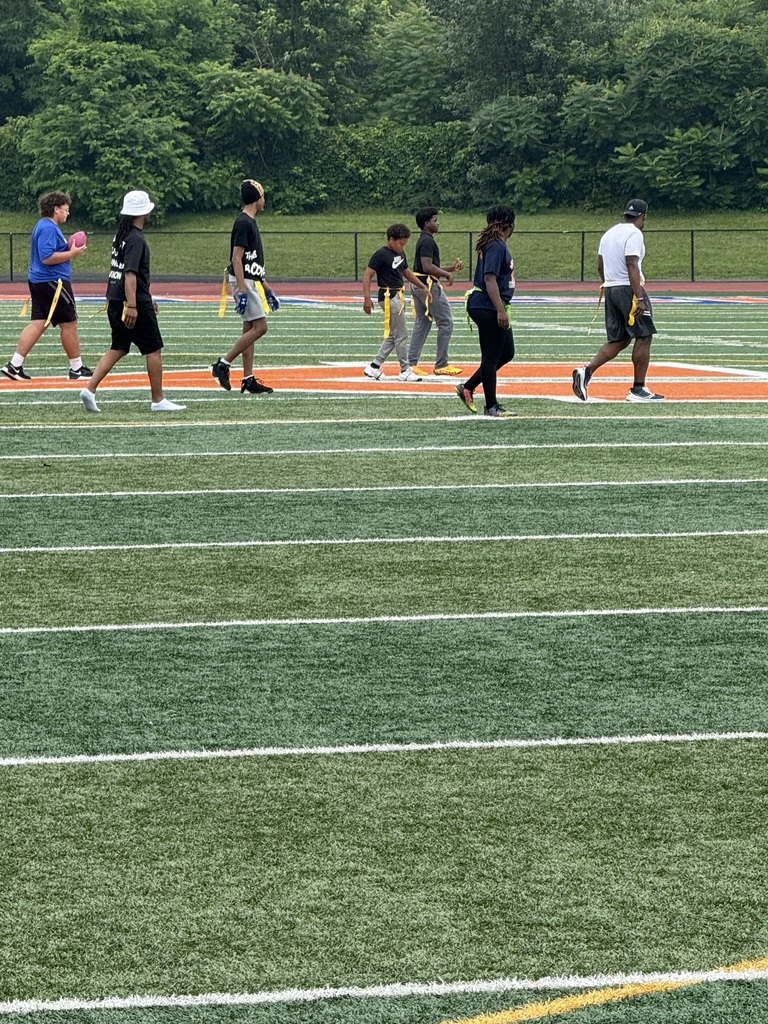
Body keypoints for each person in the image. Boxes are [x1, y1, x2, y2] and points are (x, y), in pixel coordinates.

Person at [80, 190, 185, 413]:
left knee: (118, 347)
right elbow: (130, 275)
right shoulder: (136, 239)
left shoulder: (121, 235)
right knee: (153, 349)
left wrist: (147, 297)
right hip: (131, 302)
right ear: (143, 212)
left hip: (116, 300)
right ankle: (158, 399)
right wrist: (135, 305)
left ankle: (89, 389)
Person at [572, 198, 664, 403]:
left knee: (620, 339)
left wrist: (609, 284)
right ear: (643, 216)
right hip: (628, 288)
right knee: (644, 335)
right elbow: (632, 264)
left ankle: (585, 372)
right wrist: (638, 296)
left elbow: (599, 266)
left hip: (610, 287)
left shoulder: (609, 233)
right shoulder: (634, 233)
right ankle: (638, 389)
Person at [1, 190, 92, 381]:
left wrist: (67, 248)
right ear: (55, 208)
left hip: (41, 280)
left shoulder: (43, 226)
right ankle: (76, 368)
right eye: (65, 209)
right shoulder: (48, 228)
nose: (67, 213)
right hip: (53, 281)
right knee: (69, 323)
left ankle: (14, 365)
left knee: (38, 323)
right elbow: (47, 257)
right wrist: (71, 254)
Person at [210, 179, 276, 395]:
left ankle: (248, 379)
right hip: (243, 281)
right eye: (263, 196)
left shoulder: (250, 221)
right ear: (257, 199)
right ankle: (223, 363)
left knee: (250, 329)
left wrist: (265, 286)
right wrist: (243, 289)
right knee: (261, 327)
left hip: (250, 280)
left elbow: (251, 260)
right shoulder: (244, 222)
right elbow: (236, 259)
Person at [455, 205, 516, 417]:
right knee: (490, 357)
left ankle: (469, 386)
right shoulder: (496, 245)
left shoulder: (494, 243)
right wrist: (500, 309)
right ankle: (491, 406)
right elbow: (490, 278)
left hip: (487, 303)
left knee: (507, 352)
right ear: (508, 224)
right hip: (487, 304)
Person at [362, 223, 430, 382]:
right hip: (388, 295)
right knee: (401, 334)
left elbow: (407, 272)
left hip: (398, 295)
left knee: (395, 334)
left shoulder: (401, 253)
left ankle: (374, 366)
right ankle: (405, 369)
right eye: (400, 243)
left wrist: (423, 286)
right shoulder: (381, 254)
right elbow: (367, 275)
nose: (402, 247)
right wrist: (366, 297)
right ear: (391, 239)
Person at [408, 207, 464, 376]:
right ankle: (441, 364)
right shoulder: (427, 241)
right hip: (427, 286)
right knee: (446, 322)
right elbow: (427, 267)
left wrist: (450, 268)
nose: (438, 223)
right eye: (434, 221)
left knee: (423, 322)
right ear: (426, 223)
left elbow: (428, 266)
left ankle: (411, 363)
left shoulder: (424, 239)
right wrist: (446, 274)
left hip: (418, 283)